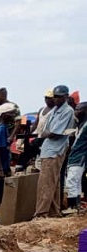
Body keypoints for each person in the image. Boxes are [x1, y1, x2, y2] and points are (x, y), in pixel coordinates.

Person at [35, 85, 76, 218]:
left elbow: (54, 133)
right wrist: (44, 134)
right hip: (48, 149)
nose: (56, 100)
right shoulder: (55, 110)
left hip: (54, 150)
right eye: (55, 97)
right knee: (53, 182)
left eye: (59, 97)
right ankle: (53, 212)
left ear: (66, 97)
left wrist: (44, 134)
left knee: (45, 183)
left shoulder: (67, 111)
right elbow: (45, 131)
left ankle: (41, 213)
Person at [62, 102, 87, 214]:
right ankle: (76, 207)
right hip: (76, 155)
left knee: (71, 181)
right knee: (76, 182)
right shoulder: (81, 124)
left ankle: (72, 207)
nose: (75, 112)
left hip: (79, 156)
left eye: (78, 110)